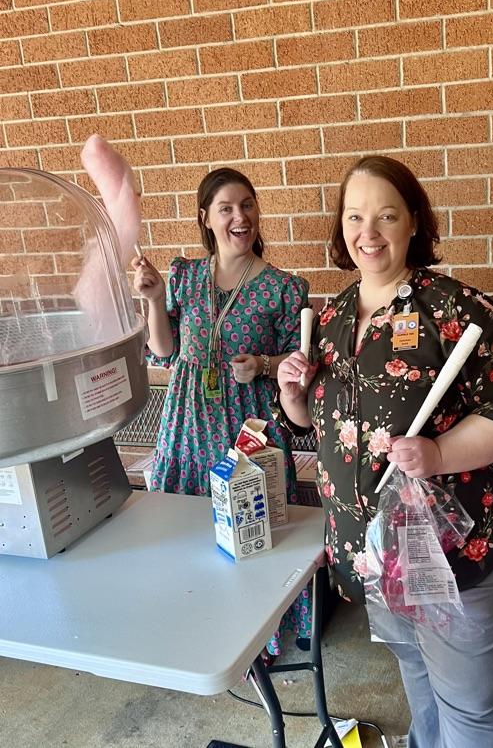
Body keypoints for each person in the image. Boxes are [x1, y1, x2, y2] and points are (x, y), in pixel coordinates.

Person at [276, 155, 493, 748]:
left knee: (470, 712)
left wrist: (438, 454)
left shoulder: (453, 309)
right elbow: (318, 427)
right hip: (379, 557)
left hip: (461, 552)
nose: (367, 233)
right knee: (419, 684)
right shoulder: (331, 317)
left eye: (386, 215)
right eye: (354, 216)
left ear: (414, 222)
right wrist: (294, 396)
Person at [132, 167, 311, 661]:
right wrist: (151, 300)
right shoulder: (183, 277)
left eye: (248, 205)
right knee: (183, 517)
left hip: (247, 422)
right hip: (187, 417)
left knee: (254, 521)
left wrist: (263, 365)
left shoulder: (282, 287)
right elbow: (164, 352)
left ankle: (258, 630)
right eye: (227, 208)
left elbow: (298, 361)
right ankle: (193, 616)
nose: (240, 216)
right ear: (206, 219)